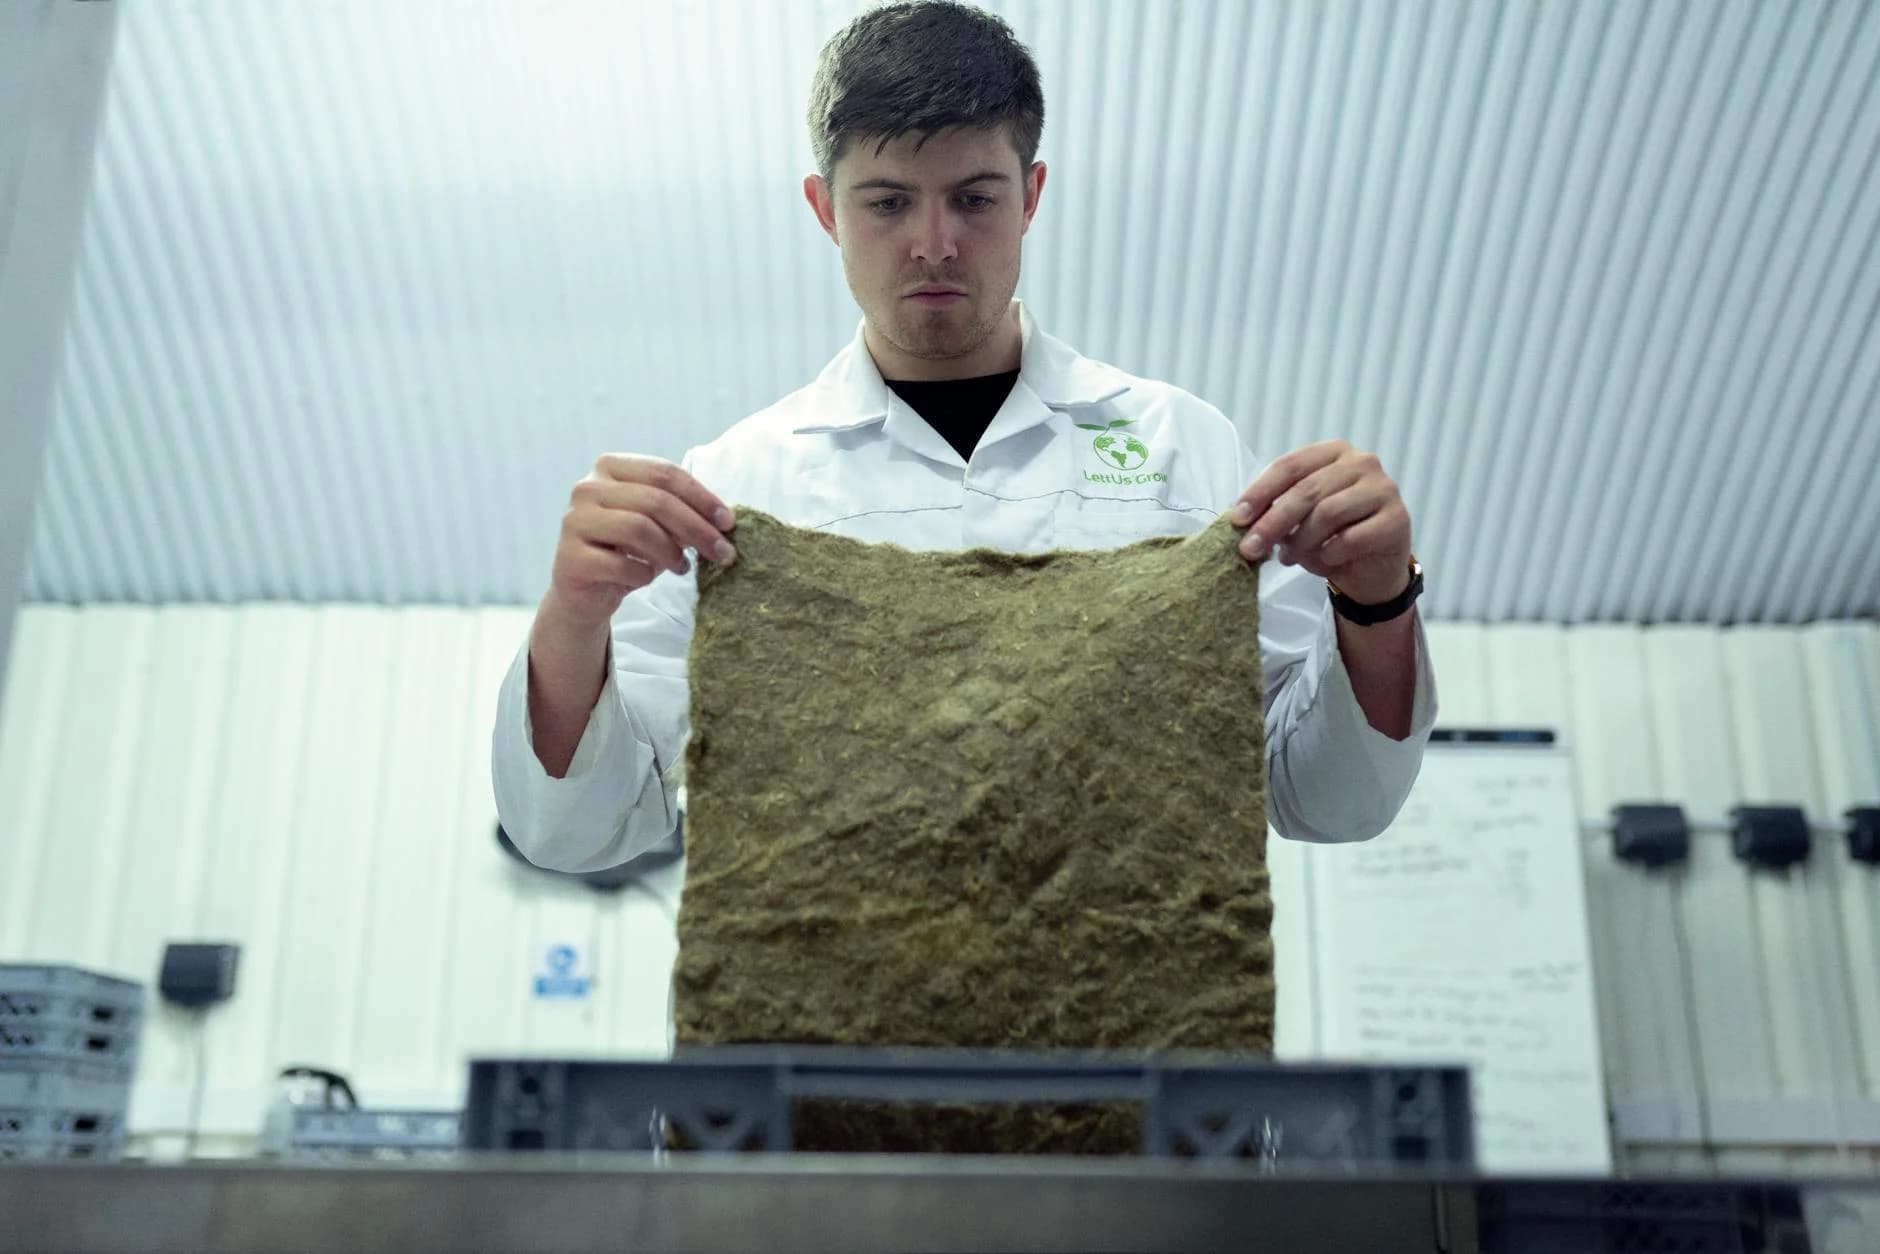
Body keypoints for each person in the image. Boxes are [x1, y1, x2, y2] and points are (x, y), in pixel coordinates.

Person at [493, 0, 1435, 875]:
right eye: (888, 202)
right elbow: (575, 829)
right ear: (826, 210)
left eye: (974, 200)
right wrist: (574, 614)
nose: (934, 243)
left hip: (1121, 1031)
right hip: (816, 1041)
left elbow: (1327, 800)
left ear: (1031, 196)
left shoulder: (1181, 450)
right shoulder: (739, 486)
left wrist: (1375, 601)